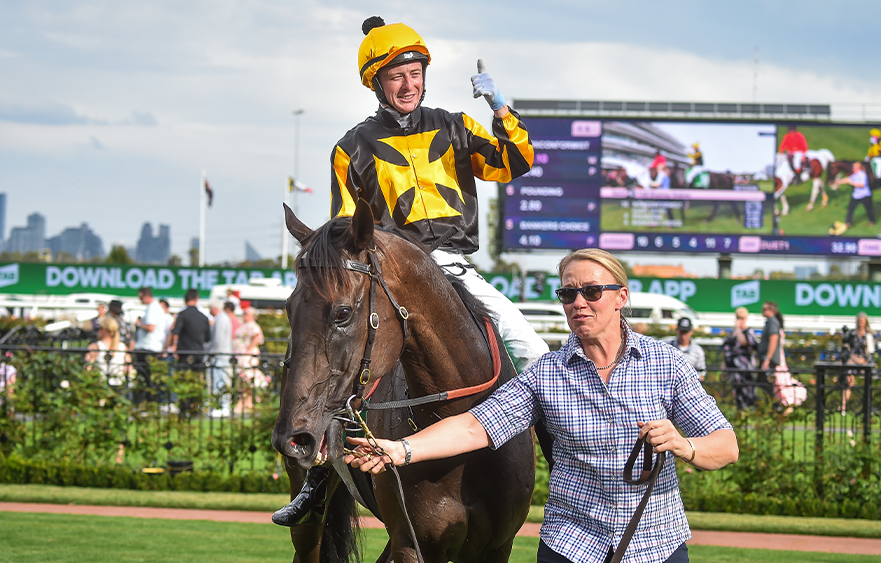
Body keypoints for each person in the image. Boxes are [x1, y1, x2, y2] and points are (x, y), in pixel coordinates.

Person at [275, 16, 552, 528]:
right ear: (376, 83)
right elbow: (344, 232)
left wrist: (498, 107)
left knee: (534, 351)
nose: (409, 84)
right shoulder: (351, 147)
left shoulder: (456, 126)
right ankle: (321, 475)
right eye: (396, 76)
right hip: (391, 273)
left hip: (453, 268)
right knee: (347, 359)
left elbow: (517, 161)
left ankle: (566, 466)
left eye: (416, 72)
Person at [345, 248, 738, 563]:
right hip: (571, 547)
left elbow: (725, 445)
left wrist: (685, 446)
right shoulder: (545, 374)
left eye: (591, 292)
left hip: (657, 545)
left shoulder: (665, 363)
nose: (578, 302)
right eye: (568, 293)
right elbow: (475, 426)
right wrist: (402, 449)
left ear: (621, 298)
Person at [133, 287, 166, 402]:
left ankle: (146, 403)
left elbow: (150, 327)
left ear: (145, 296)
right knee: (151, 380)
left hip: (148, 347)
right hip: (154, 347)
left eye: (141, 297)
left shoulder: (152, 308)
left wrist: (139, 324)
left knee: (145, 379)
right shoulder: (157, 308)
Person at [722, 307, 758, 410]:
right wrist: (724, 368)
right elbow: (727, 350)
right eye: (738, 317)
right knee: (737, 392)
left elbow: (744, 342)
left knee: (748, 391)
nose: (739, 320)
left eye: (742, 318)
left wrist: (738, 330)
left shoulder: (748, 331)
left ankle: (749, 412)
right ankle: (740, 411)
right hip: (734, 368)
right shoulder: (732, 334)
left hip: (746, 368)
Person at [841, 312, 876, 414]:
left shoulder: (869, 335)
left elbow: (871, 350)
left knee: (868, 384)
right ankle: (843, 406)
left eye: (862, 321)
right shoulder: (852, 334)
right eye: (859, 321)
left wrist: (865, 359)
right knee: (848, 381)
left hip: (864, 361)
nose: (860, 323)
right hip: (853, 359)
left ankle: (868, 406)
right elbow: (847, 347)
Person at [233, 306, 266, 410]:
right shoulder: (246, 325)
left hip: (247, 357)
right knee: (245, 378)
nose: (243, 315)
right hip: (243, 355)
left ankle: (244, 401)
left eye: (245, 313)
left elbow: (257, 338)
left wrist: (247, 350)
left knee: (246, 377)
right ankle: (247, 401)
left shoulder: (253, 326)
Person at [86, 316, 132, 387]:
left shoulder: (96, 346)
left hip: (100, 386)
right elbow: (128, 369)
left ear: (104, 330)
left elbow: (87, 367)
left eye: (99, 328)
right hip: (119, 385)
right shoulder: (123, 347)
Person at [207, 300, 233, 417]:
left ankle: (223, 406)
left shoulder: (221, 319)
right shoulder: (223, 318)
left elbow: (217, 339)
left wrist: (211, 352)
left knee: (219, 380)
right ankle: (221, 405)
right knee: (219, 380)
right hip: (221, 354)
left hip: (219, 355)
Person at [833, 161, 874, 229]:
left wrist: (852, 183)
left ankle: (871, 220)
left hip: (865, 195)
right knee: (851, 208)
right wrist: (839, 182)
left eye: (855, 168)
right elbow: (848, 179)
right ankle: (848, 223)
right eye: (853, 168)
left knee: (869, 209)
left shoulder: (862, 175)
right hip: (856, 195)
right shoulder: (854, 174)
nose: (853, 169)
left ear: (859, 168)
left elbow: (862, 184)